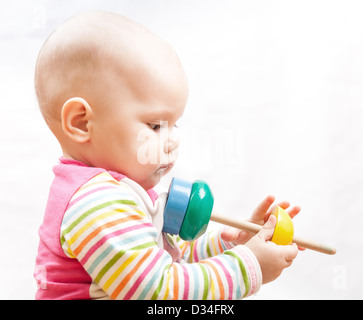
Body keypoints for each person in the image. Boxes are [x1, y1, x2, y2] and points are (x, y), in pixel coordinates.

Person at [34, 11, 299, 300]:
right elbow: (159, 290)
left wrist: (233, 245)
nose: (172, 140)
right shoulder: (96, 203)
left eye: (175, 124)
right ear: (81, 123)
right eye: (156, 125)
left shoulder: (118, 190)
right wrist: (249, 266)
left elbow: (166, 258)